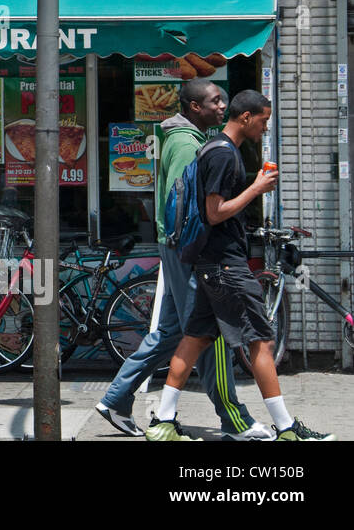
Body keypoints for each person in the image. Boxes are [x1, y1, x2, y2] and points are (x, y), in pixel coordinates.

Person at [146, 91, 333, 441]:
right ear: (246, 117)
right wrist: (256, 188)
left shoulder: (215, 149)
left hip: (211, 264)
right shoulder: (222, 154)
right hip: (225, 266)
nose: (266, 126)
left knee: (194, 339)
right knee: (261, 341)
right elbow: (214, 212)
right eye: (263, 120)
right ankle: (288, 429)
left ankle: (162, 423)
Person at [94, 79, 266, 439]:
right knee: (209, 332)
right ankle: (234, 419)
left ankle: (115, 398)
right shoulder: (187, 145)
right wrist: (195, 247)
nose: (222, 106)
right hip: (187, 250)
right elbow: (183, 205)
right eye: (214, 101)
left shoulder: (189, 140)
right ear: (194, 108)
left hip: (177, 247)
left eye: (222, 100)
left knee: (175, 332)